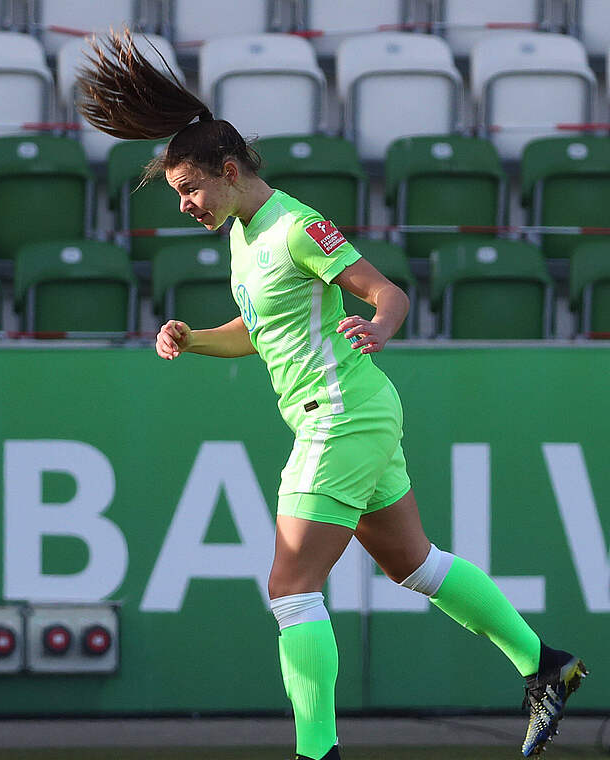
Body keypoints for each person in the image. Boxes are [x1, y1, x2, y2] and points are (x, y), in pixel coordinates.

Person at [75, 31, 587, 760]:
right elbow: (259, 334)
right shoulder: (244, 235)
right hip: (351, 414)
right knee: (414, 564)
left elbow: (389, 292)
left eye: (190, 189)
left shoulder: (294, 226)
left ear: (228, 169)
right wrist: (193, 338)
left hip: (338, 415)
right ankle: (544, 665)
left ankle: (318, 754)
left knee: (290, 585)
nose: (184, 204)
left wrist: (379, 324)